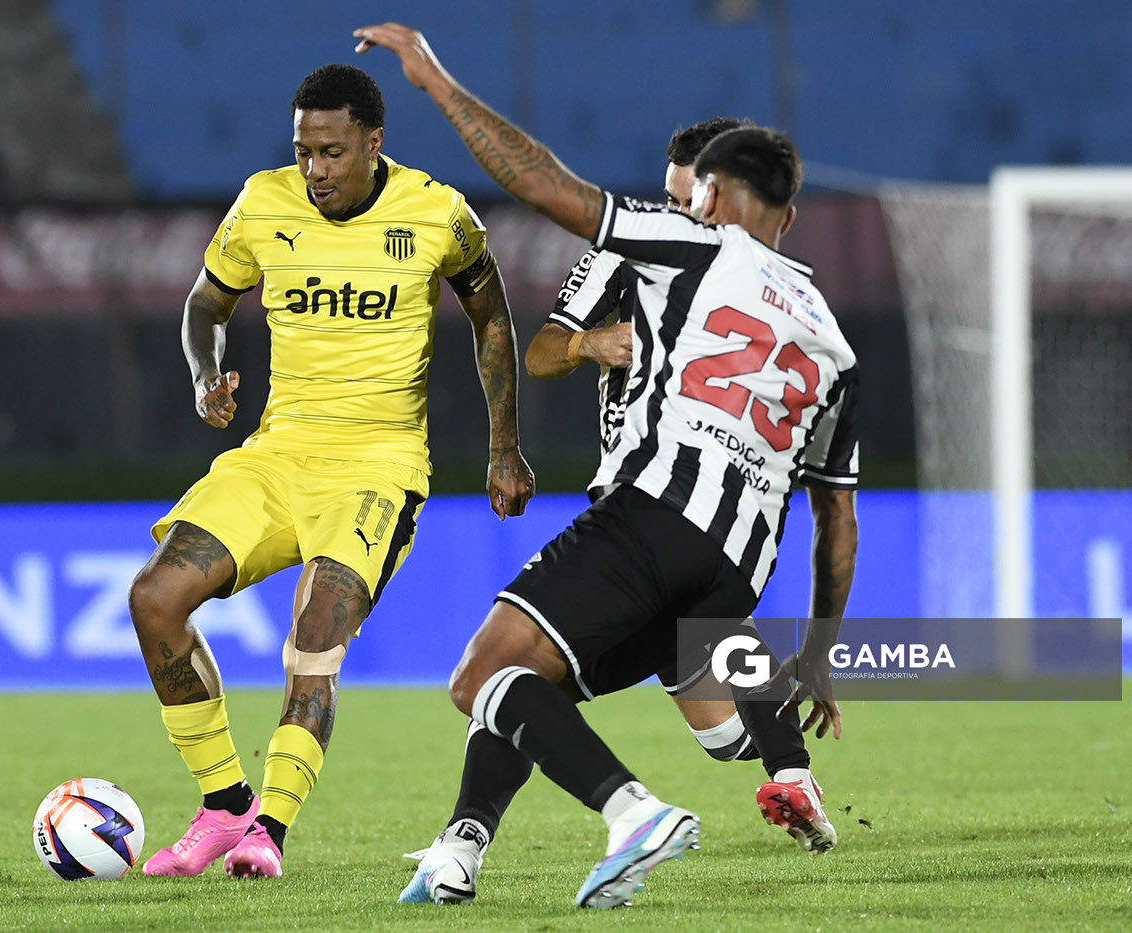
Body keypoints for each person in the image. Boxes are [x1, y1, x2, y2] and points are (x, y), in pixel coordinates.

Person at [354, 24, 858, 909]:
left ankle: (633, 813)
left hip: (655, 514)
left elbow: (542, 184)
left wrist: (434, 80)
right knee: (532, 686)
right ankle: (461, 846)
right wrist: (819, 651)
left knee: (481, 677)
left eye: (695, 193)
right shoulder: (834, 338)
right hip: (737, 561)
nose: (686, 204)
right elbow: (838, 519)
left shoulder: (697, 245)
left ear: (713, 192)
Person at [129, 62, 535, 881]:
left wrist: (502, 447)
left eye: (331, 152)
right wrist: (205, 375)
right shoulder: (262, 202)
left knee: (315, 635)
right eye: (303, 151)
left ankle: (267, 832)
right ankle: (224, 805)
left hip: (378, 470)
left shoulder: (436, 213)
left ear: (372, 142)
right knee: (154, 598)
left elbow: (491, 317)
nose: (313, 169)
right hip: (276, 457)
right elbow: (206, 303)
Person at [527, 115, 763, 764]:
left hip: (717, 495)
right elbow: (542, 353)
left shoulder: (761, 278)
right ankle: (783, 752)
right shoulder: (627, 254)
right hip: (635, 488)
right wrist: (588, 342)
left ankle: (783, 762)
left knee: (516, 671)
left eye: (689, 202)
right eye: (670, 199)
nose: (678, 212)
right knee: (724, 738)